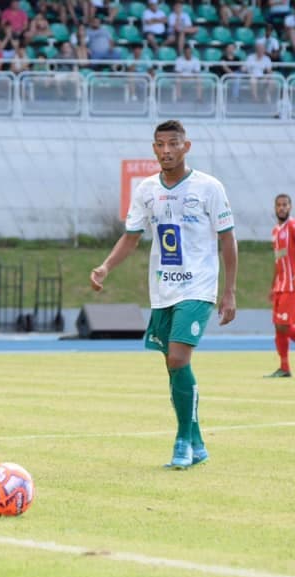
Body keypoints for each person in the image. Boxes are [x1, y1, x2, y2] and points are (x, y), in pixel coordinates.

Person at [90, 120, 237, 469]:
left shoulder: (209, 187)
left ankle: (182, 441)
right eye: (160, 144)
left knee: (177, 359)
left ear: (187, 147)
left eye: (173, 143)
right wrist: (105, 267)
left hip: (199, 287)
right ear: (154, 148)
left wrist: (229, 292)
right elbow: (131, 237)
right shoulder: (145, 190)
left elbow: (228, 239)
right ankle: (198, 440)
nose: (166, 150)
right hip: (163, 290)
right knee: (174, 368)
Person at [266, 193, 295, 378]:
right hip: (280, 286)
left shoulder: (292, 226)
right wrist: (272, 285)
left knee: (284, 325)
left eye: (285, 204)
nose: (282, 208)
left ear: (290, 207)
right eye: (279, 205)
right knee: (278, 326)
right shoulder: (275, 231)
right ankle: (284, 367)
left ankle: (285, 368)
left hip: (291, 286)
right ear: (275, 208)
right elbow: (279, 261)